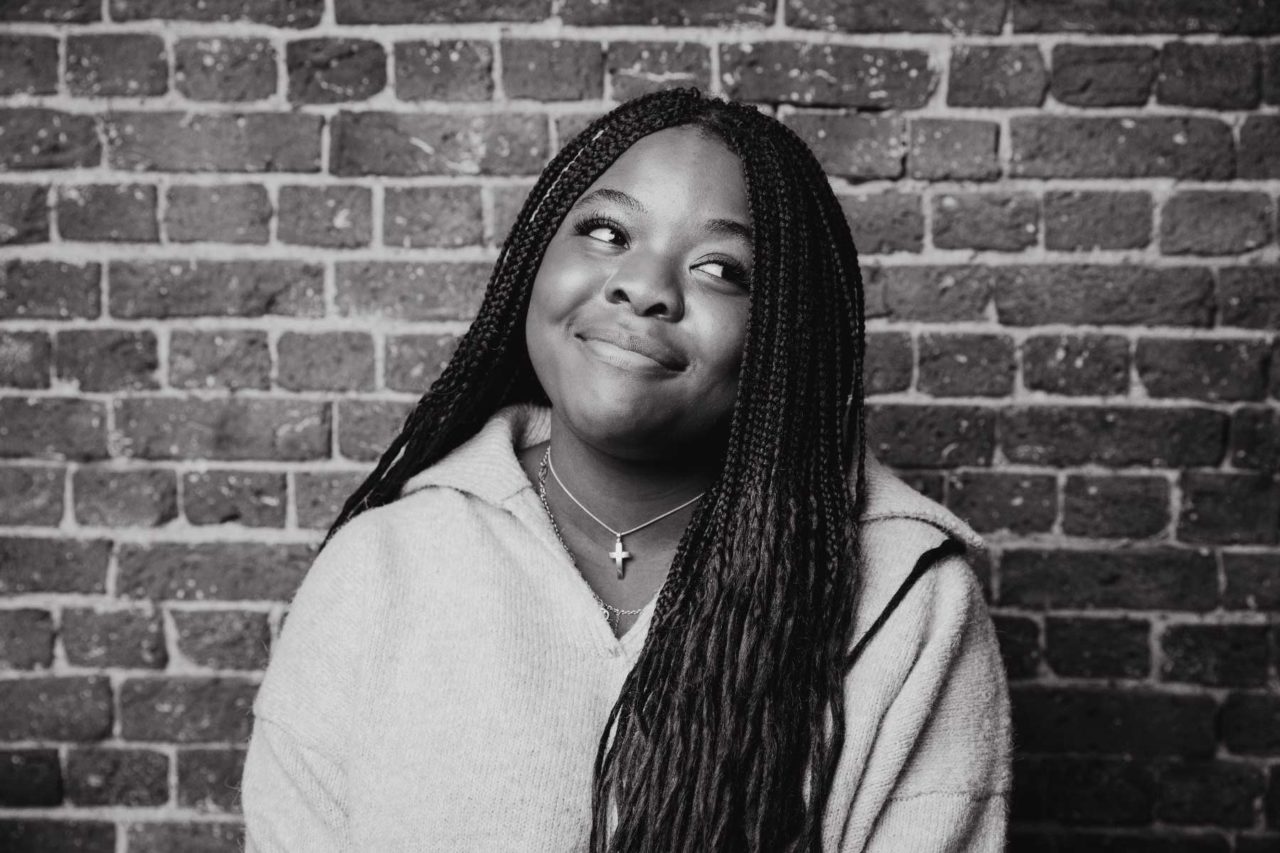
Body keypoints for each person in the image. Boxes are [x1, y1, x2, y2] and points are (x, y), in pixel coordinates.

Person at [240, 88, 1011, 852]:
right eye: (607, 231)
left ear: (785, 331)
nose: (644, 286)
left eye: (721, 268)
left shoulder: (908, 602)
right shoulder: (380, 568)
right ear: (535, 263)